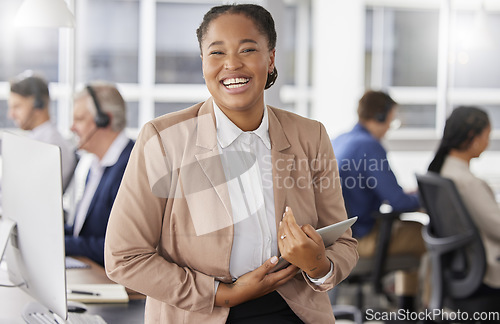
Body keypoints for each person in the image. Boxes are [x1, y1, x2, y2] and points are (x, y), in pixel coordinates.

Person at [105, 4, 358, 323]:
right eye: (216, 52)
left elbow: (344, 243)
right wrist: (223, 294)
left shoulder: (310, 135)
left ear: (270, 58)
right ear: (202, 62)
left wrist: (318, 263)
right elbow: (125, 258)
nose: (232, 64)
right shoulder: (164, 139)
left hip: (293, 313)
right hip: (198, 314)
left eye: (248, 49)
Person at [332, 90, 425, 310]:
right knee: (426, 236)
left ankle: (404, 306)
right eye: (391, 121)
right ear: (381, 117)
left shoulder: (341, 139)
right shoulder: (369, 146)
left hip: (338, 235)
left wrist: (405, 196)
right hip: (359, 238)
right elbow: (398, 202)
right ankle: (419, 309)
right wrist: (426, 199)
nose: (389, 127)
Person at [428, 106, 500, 293]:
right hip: (486, 269)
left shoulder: (443, 172)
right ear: (472, 137)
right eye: (487, 135)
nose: (488, 142)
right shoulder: (467, 182)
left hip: (462, 265)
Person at [65, 81, 134, 266]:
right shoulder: (96, 165)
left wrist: (61, 244)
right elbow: (85, 233)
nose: (72, 127)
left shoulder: (131, 167)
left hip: (114, 284)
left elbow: (120, 247)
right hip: (93, 272)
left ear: (104, 120)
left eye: (79, 119)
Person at [8, 71, 77, 191]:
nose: (11, 115)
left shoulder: (51, 144)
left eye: (17, 107)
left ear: (38, 104)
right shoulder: (36, 139)